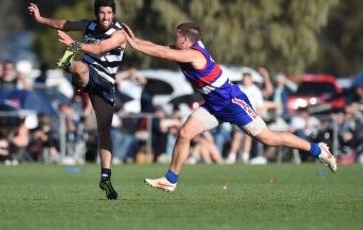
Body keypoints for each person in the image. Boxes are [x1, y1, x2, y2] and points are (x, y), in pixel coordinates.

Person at [122, 22, 337, 192]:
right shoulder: (186, 48)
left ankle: (319, 150)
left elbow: (164, 54)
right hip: (214, 105)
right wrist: (134, 40)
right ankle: (170, 180)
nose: (173, 38)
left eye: (177, 36)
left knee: (269, 138)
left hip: (232, 102)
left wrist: (134, 44)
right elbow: (160, 48)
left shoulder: (193, 55)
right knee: (185, 133)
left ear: (186, 40)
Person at [28, 0, 126, 199]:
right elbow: (64, 24)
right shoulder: (88, 25)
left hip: (106, 83)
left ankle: (105, 178)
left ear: (113, 14)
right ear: (96, 13)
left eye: (109, 13)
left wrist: (75, 45)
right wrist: (40, 19)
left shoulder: (119, 34)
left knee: (104, 130)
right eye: (101, 12)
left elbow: (100, 48)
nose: (105, 16)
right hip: (90, 72)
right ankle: (68, 65)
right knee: (81, 67)